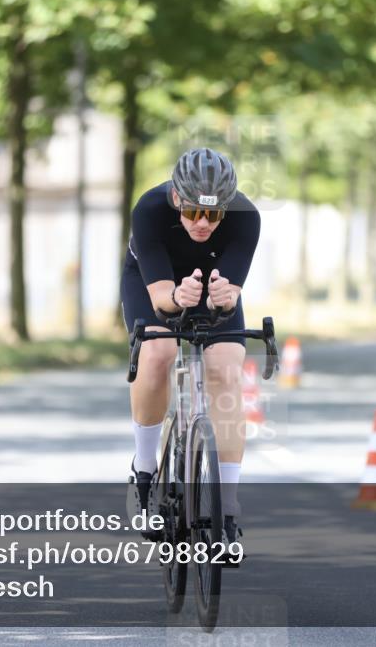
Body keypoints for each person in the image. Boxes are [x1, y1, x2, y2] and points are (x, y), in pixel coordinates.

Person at [122, 147, 260, 547]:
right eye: (194, 212)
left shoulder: (246, 217)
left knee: (226, 370)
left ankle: (228, 509)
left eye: (214, 215)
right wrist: (177, 298)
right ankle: (144, 471)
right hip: (157, 284)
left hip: (210, 288)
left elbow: (231, 294)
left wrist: (225, 297)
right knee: (159, 352)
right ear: (177, 198)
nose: (203, 223)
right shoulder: (149, 209)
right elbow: (163, 298)